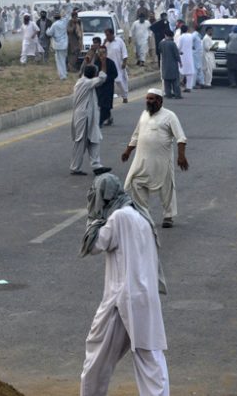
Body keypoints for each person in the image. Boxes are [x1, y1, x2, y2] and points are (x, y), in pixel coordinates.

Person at [79, 173, 170, 396]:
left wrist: (93, 217)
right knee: (150, 358)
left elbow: (94, 244)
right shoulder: (141, 216)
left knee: (96, 355)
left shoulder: (118, 218)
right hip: (144, 299)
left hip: (120, 300)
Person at [122, 89, 189, 228]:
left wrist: (181, 155)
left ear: (160, 101)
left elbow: (181, 137)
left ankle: (168, 216)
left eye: (151, 99)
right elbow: (136, 135)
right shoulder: (144, 115)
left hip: (162, 161)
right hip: (143, 161)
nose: (148, 101)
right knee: (136, 182)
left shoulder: (170, 116)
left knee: (167, 188)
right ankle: (143, 214)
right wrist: (128, 151)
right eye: (147, 98)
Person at [70, 64, 112, 176]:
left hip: (89, 116)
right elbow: (102, 79)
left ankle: (96, 165)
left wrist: (89, 60)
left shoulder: (84, 81)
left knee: (94, 139)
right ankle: (75, 168)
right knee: (80, 142)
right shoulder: (85, 83)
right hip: (83, 116)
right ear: (93, 74)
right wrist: (103, 63)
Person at [92, 47, 119, 127]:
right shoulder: (96, 63)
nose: (101, 54)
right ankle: (107, 117)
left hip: (108, 87)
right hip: (99, 87)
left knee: (106, 104)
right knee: (101, 104)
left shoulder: (110, 63)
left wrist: (107, 79)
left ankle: (100, 121)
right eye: (100, 52)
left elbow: (115, 74)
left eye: (103, 52)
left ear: (106, 53)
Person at [103, 28, 130, 103]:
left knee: (120, 81)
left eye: (108, 35)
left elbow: (124, 52)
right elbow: (101, 52)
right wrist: (104, 43)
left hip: (118, 65)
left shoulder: (119, 41)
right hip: (108, 66)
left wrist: (124, 62)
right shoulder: (106, 43)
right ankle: (108, 99)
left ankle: (125, 96)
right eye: (106, 35)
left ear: (112, 34)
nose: (107, 37)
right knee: (108, 83)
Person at [47, 11, 70, 80]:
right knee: (63, 59)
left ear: (54, 18)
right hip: (65, 44)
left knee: (59, 61)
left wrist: (47, 29)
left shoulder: (54, 25)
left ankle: (62, 76)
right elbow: (66, 16)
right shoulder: (64, 22)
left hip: (58, 45)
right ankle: (65, 72)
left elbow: (49, 33)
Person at [158, 34, 182, 99]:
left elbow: (159, 51)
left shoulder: (161, 43)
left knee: (166, 81)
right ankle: (177, 94)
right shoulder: (173, 44)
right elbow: (176, 54)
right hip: (173, 64)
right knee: (175, 81)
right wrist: (180, 62)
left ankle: (168, 94)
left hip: (165, 64)